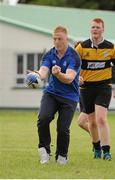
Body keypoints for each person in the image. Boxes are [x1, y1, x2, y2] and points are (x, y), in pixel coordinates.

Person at [26, 26, 81, 165]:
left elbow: (69, 78)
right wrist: (36, 75)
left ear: (66, 39)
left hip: (69, 97)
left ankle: (62, 156)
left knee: (62, 128)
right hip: (51, 93)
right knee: (43, 119)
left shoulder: (74, 56)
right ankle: (44, 151)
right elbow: (44, 71)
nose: (57, 41)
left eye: (60, 39)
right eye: (54, 39)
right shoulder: (49, 54)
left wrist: (58, 74)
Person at [75, 18, 115, 160]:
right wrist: (77, 77)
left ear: (103, 29)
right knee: (92, 122)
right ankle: (96, 148)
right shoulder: (82, 47)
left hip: (103, 87)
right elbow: (73, 65)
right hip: (86, 88)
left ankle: (106, 151)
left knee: (101, 119)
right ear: (90, 29)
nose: (95, 30)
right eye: (93, 27)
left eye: (97, 27)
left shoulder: (111, 47)